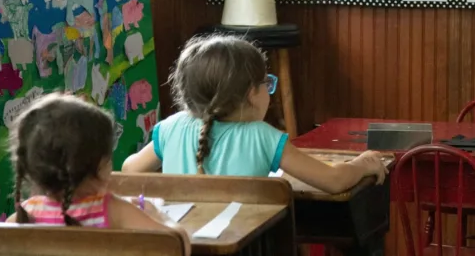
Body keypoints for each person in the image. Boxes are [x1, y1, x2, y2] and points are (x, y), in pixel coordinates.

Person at [123, 34, 387, 194]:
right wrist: (363, 164)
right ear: (252, 92)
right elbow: (333, 180)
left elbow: (129, 170)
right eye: (267, 84)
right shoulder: (261, 136)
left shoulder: (172, 127)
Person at [7, 92, 190, 254]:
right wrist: (156, 214)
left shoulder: (22, 217)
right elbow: (178, 245)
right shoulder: (112, 210)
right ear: (98, 167)